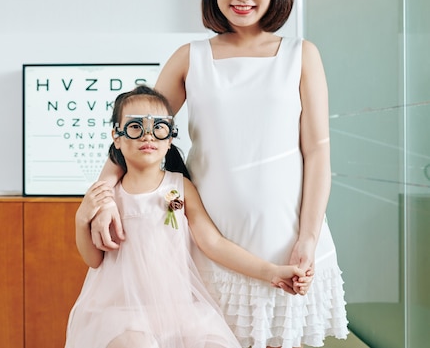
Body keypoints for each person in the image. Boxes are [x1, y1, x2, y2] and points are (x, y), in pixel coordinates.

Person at [89, 0, 349, 348]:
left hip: (285, 239)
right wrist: (101, 202)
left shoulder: (302, 54)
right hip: (207, 243)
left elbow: (317, 152)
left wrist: (308, 236)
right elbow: (137, 135)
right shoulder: (190, 57)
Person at [66, 86, 311, 348]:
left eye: (158, 127)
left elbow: (214, 243)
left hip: (178, 310)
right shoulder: (108, 196)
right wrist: (82, 218)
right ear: (117, 136)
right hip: (123, 313)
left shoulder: (180, 187)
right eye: (136, 126)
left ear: (170, 137)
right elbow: (94, 259)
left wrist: (272, 271)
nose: (148, 135)